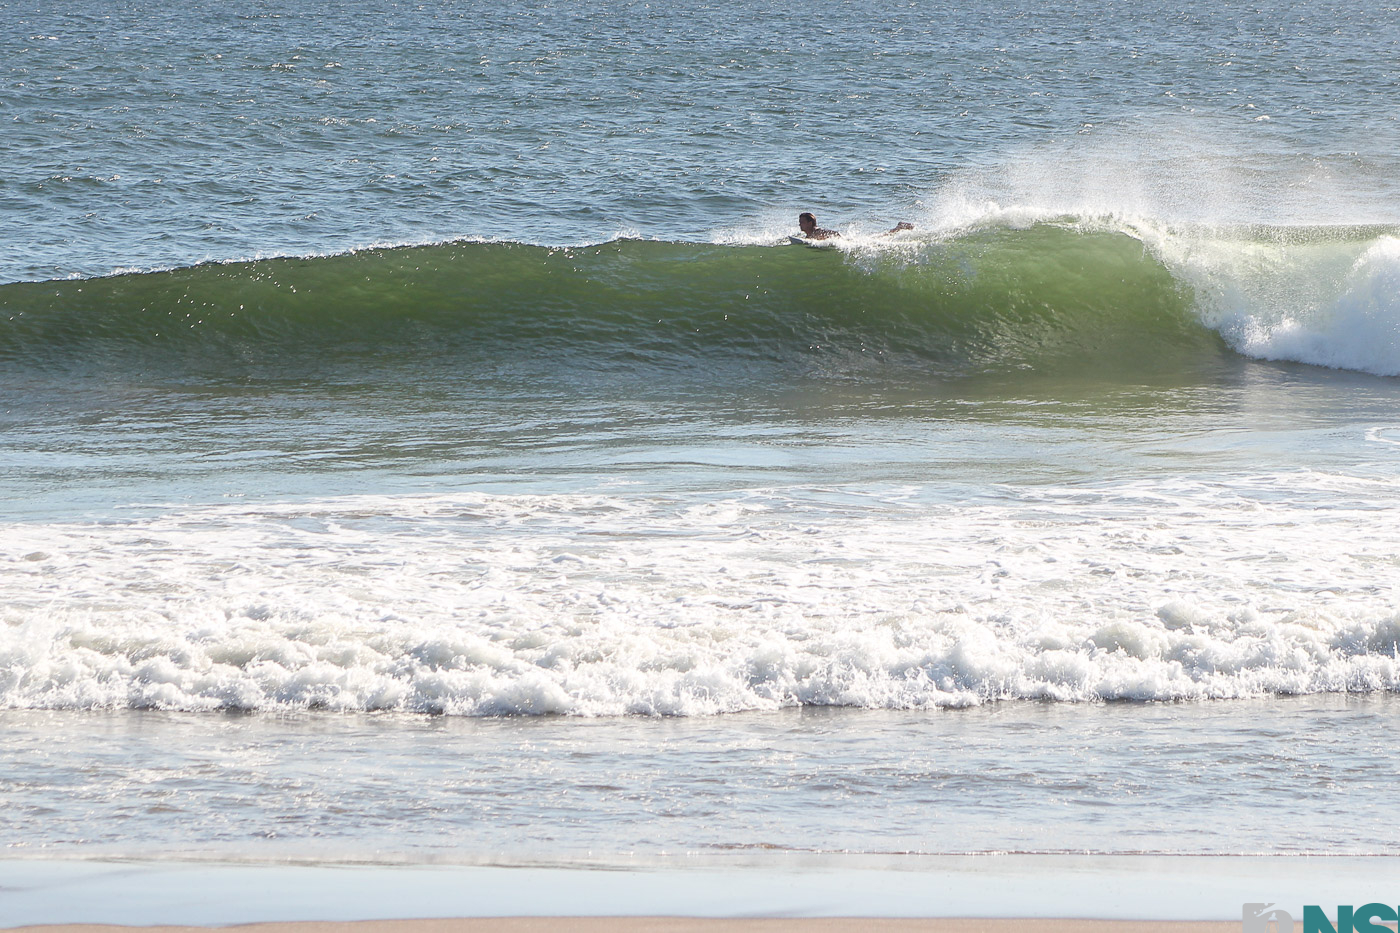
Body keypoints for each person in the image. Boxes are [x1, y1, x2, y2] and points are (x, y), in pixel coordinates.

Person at [797, 213, 914, 239]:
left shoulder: (817, 232)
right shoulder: (810, 235)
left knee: (881, 237)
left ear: (810, 223)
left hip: (848, 242)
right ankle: (898, 228)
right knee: (880, 236)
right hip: (848, 240)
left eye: (802, 222)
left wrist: (842, 242)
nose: (800, 224)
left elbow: (835, 233)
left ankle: (899, 228)